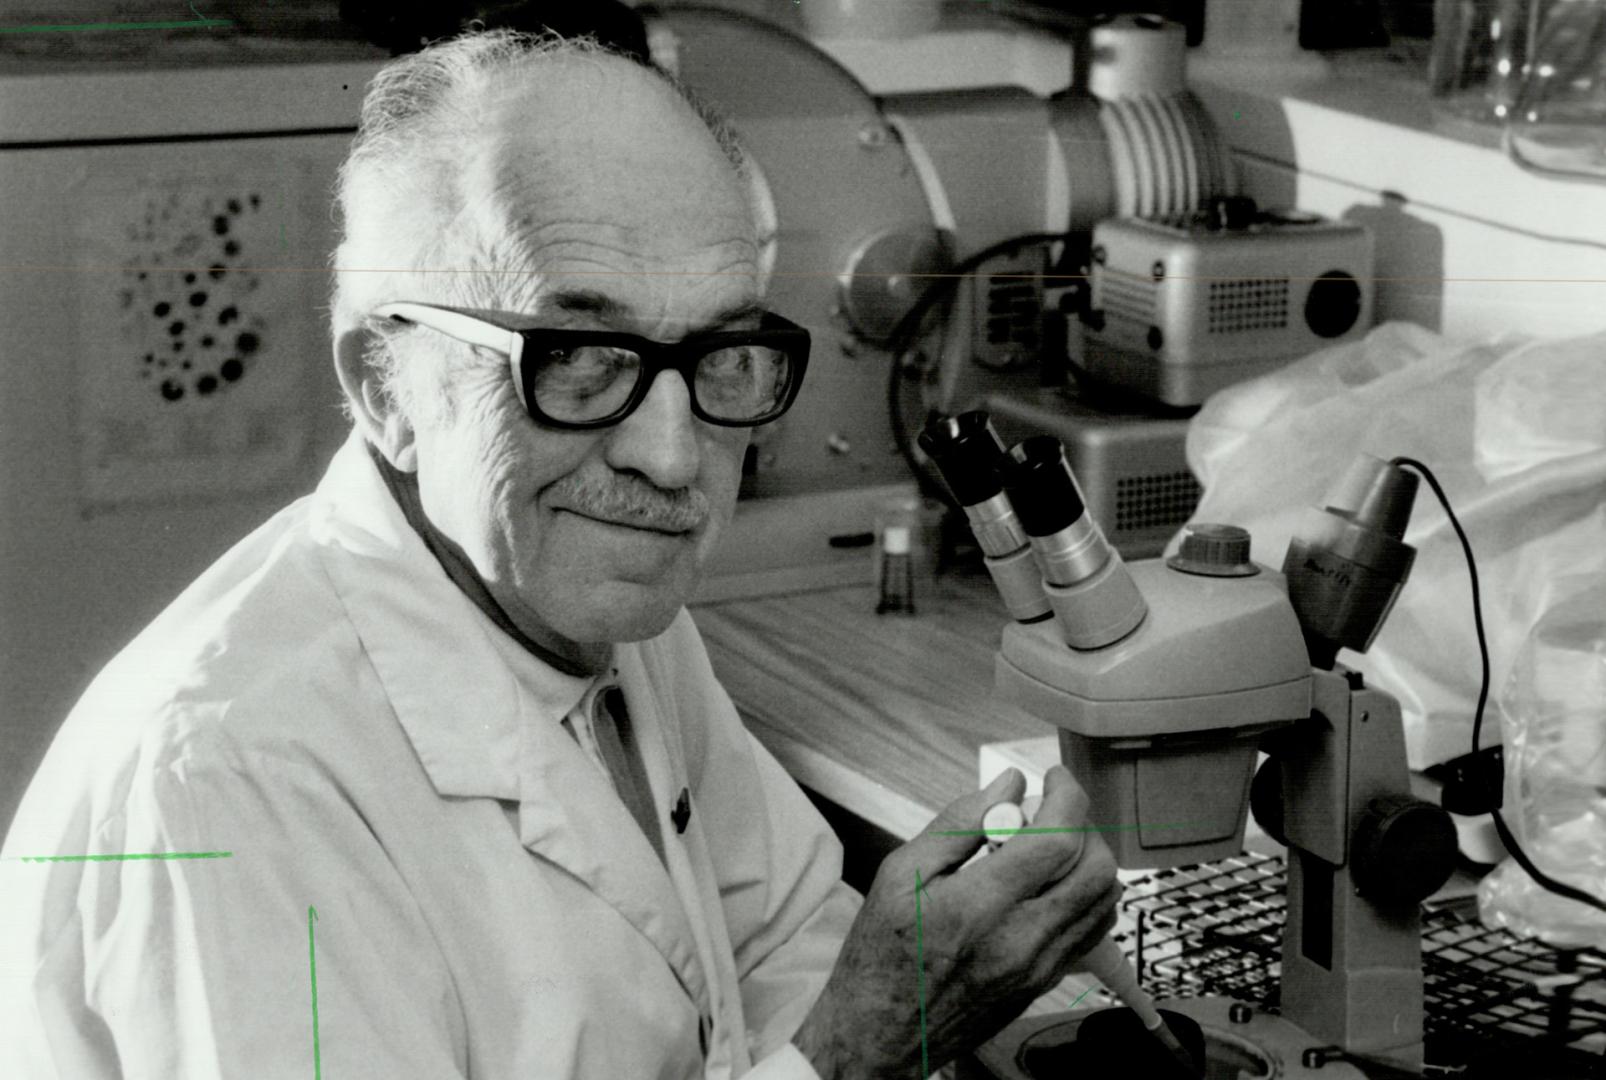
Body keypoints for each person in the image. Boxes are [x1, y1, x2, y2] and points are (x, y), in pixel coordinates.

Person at [0, 31, 1120, 1079]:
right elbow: (839, 1025)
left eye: (722, 353)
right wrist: (862, 1043)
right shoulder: (228, 782)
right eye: (577, 357)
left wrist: (929, 973)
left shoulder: (593, 605)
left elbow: (785, 951)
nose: (674, 458)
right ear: (384, 387)